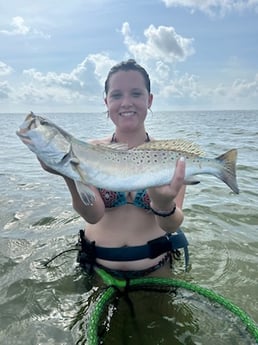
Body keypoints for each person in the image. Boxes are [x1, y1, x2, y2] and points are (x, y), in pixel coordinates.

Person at [41, 59, 188, 279]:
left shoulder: (169, 157)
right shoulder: (87, 151)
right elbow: (93, 215)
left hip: (158, 271)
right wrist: (69, 172)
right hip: (98, 271)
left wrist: (163, 203)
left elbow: (170, 225)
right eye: (117, 95)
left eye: (136, 94)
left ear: (149, 100)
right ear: (106, 102)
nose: (126, 102)